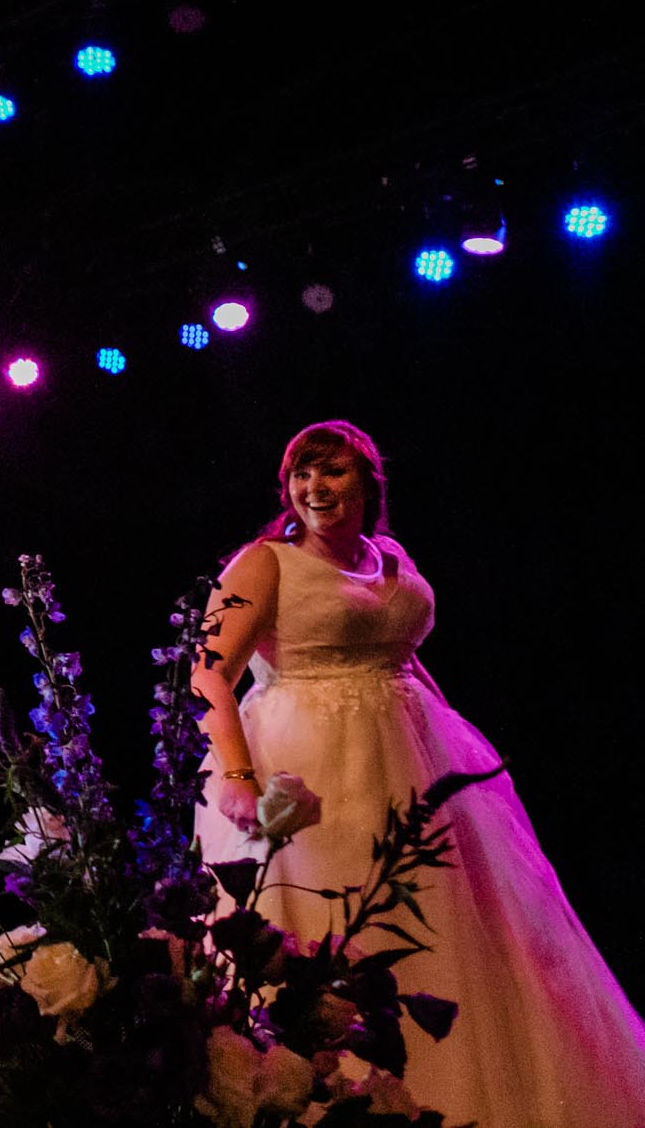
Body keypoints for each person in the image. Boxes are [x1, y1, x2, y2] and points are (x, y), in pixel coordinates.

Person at [191, 420, 645, 1126]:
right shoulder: (265, 563)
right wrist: (238, 775)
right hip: (310, 767)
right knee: (331, 921)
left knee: (442, 927)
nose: (315, 488)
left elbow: (400, 652)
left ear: (368, 482)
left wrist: (459, 749)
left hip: (411, 758)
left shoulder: (388, 557)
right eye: (301, 475)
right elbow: (209, 674)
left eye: (332, 472)